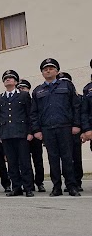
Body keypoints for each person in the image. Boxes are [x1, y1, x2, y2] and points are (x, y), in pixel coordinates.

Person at [30, 58, 81, 197]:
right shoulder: (37, 91)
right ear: (42, 73)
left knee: (67, 158)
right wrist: (36, 130)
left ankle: (71, 186)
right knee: (53, 159)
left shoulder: (67, 86)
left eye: (51, 68)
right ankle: (56, 187)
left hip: (65, 127)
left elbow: (76, 106)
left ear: (57, 71)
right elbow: (34, 113)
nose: (48, 70)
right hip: (47, 128)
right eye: (45, 69)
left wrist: (76, 125)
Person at [0, 70, 34, 197]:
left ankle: (28, 187)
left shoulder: (23, 95)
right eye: (5, 78)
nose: (8, 79)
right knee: (11, 163)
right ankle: (16, 187)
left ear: (16, 81)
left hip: (21, 134)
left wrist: (30, 132)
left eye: (11, 78)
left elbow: (29, 114)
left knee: (25, 161)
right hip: (6, 134)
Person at [16, 79, 46, 192]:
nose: (21, 90)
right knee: (24, 161)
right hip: (23, 136)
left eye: (23, 88)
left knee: (38, 160)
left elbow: (37, 117)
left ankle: (39, 182)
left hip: (35, 134)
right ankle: (27, 183)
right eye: (19, 88)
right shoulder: (17, 102)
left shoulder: (35, 100)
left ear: (28, 89)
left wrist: (35, 132)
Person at [56, 72, 83, 192]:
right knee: (65, 158)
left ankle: (77, 181)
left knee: (76, 157)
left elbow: (81, 114)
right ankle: (68, 182)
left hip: (74, 132)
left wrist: (80, 129)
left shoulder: (79, 97)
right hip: (62, 131)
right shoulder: (57, 98)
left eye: (66, 80)